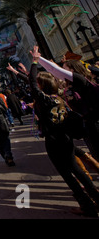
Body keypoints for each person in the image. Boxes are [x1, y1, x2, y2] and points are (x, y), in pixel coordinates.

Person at [29, 46, 99, 217]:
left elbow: (31, 82)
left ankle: (88, 207)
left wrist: (35, 62)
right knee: (78, 171)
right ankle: (96, 199)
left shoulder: (44, 100)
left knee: (68, 175)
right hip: (66, 139)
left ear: (42, 86)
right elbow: (36, 81)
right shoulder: (59, 97)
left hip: (54, 141)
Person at [36, 54, 99, 160]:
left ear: (73, 70)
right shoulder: (70, 85)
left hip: (95, 121)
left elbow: (55, 70)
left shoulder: (80, 80)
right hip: (87, 123)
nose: (62, 71)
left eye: (65, 69)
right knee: (95, 151)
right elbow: (54, 72)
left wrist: (37, 59)